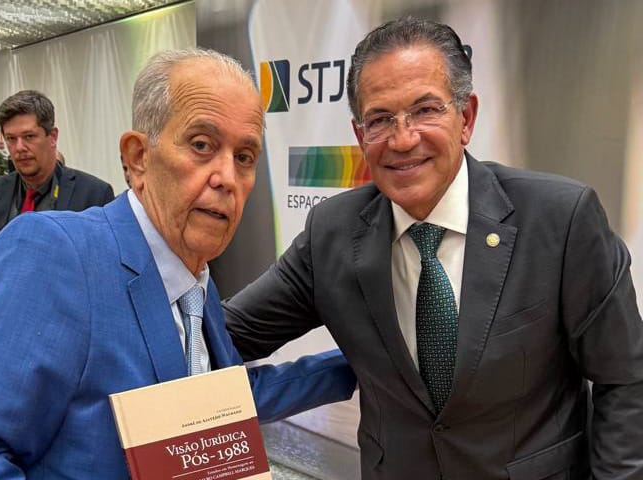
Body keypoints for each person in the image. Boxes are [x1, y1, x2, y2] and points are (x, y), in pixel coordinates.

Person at [224, 16, 643, 479]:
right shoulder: (332, 233)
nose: (403, 139)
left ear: (466, 118)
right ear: (361, 137)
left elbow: (626, 380)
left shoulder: (560, 219)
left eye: (425, 110)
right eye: (380, 119)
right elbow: (224, 335)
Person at [0, 49, 356, 479]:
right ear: (137, 157)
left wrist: (358, 364)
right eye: (201, 145)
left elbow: (215, 401)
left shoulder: (195, 284)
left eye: (244, 157)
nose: (227, 177)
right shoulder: (54, 254)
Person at [0, 90, 115, 283]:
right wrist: (14, 259)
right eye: (11, 139)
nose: (19, 148)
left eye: (29, 136)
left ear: (53, 136)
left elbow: (107, 266)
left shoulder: (94, 193)